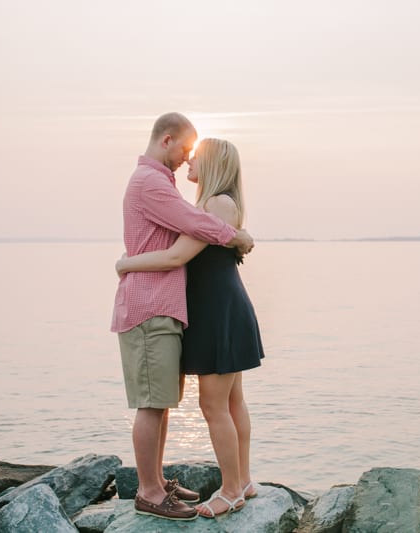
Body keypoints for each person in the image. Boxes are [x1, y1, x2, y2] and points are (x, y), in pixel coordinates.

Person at [111, 114, 254, 522]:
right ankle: (153, 490)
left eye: (195, 155)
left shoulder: (203, 199)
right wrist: (237, 235)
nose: (187, 160)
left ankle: (228, 485)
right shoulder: (153, 184)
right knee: (158, 403)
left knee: (193, 403)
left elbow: (181, 250)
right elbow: (192, 233)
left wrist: (126, 263)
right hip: (155, 306)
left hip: (196, 310)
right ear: (168, 140)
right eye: (185, 151)